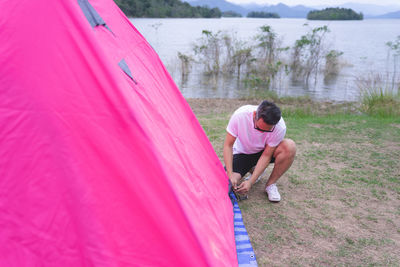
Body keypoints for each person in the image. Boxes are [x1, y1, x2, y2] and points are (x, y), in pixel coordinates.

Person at [223, 100, 296, 202]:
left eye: (267, 130)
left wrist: (250, 182)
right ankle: (254, 170)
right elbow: (228, 145)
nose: (261, 132)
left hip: (264, 152)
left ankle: (270, 185)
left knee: (289, 146)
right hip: (243, 153)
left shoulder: (280, 127)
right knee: (225, 182)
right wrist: (230, 175)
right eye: (259, 128)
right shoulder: (240, 115)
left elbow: (266, 155)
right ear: (254, 115)